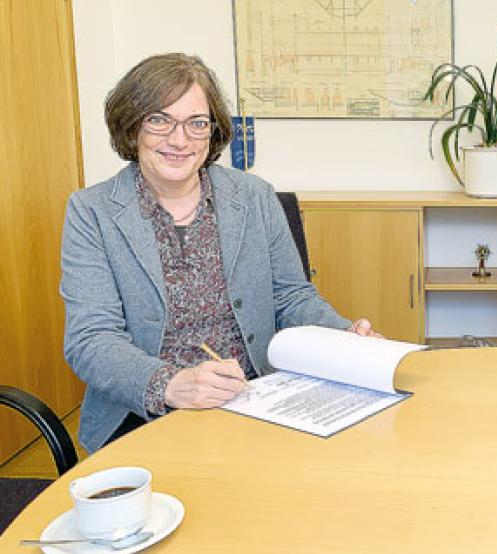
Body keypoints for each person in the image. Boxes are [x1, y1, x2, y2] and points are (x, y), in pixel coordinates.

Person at [60, 53, 381, 453]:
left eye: (197, 123)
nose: (180, 140)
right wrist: (170, 384)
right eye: (159, 120)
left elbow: (291, 297)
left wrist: (343, 336)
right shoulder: (92, 212)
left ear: (213, 132)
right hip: (143, 415)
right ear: (131, 126)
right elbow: (91, 339)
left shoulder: (254, 197)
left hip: (256, 398)